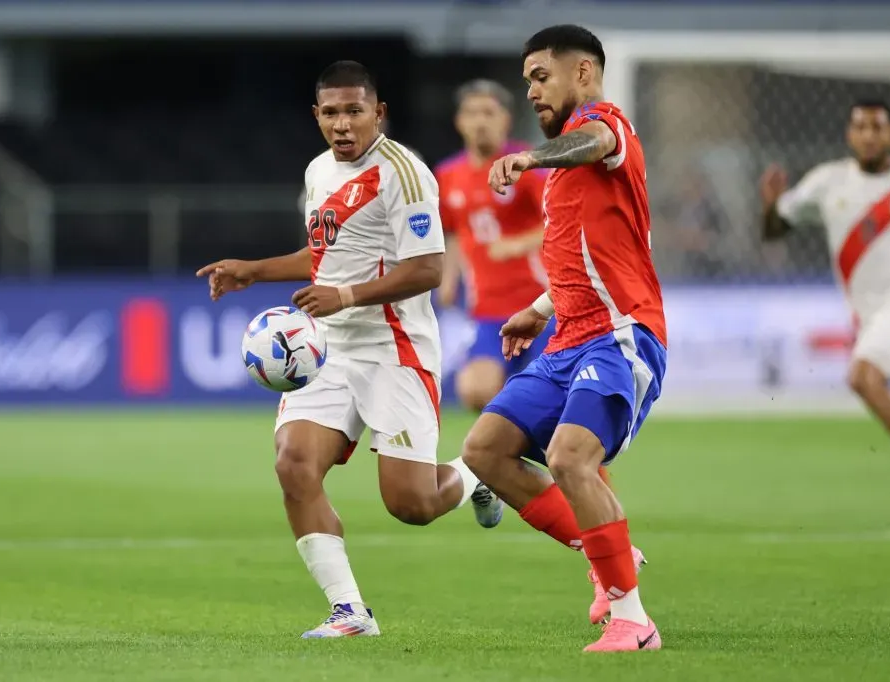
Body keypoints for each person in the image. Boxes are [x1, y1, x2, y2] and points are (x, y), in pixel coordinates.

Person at [196, 60, 503, 639]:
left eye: (354, 111)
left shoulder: (406, 174)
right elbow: (324, 254)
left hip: (396, 349)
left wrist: (348, 294)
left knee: (412, 505)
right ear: (316, 116)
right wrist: (253, 270)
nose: (343, 124)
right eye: (331, 113)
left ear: (378, 112)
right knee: (293, 463)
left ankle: (477, 473)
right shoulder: (318, 172)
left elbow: (429, 268)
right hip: (329, 348)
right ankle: (349, 612)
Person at [460, 25, 668, 653]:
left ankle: (634, 620)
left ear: (582, 73)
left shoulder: (609, 129)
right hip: (566, 338)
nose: (532, 92)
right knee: (485, 450)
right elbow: (591, 257)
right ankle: (608, 548)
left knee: (571, 459)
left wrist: (530, 156)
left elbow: (595, 139)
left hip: (620, 335)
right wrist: (536, 307)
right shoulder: (563, 177)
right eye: (527, 82)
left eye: (540, 77)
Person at [761, 99, 890, 513]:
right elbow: (776, 228)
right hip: (876, 316)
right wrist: (771, 203)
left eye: (877, 127)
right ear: (849, 135)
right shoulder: (827, 182)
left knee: (863, 375)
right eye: (861, 127)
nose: (869, 135)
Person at [435, 79, 551, 410]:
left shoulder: (527, 165)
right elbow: (453, 230)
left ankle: (564, 458)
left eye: (489, 112)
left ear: (505, 120)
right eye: (471, 112)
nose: (480, 121)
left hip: (541, 305)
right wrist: (448, 278)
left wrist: (518, 243)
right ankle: (509, 454)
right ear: (459, 121)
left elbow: (564, 221)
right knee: (475, 390)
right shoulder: (448, 174)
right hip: (488, 310)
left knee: (544, 399)